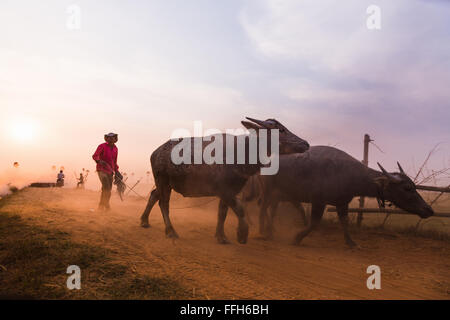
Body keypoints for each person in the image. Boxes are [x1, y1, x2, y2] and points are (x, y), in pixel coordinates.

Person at [92, 132, 120, 210]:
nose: (110, 139)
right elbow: (95, 156)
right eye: (109, 137)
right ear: (106, 138)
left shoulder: (115, 149)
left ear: (115, 139)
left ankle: (104, 205)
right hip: (101, 169)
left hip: (110, 171)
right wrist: (99, 161)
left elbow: (114, 161)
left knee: (108, 190)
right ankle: (104, 206)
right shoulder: (102, 146)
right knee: (106, 187)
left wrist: (117, 170)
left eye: (112, 137)